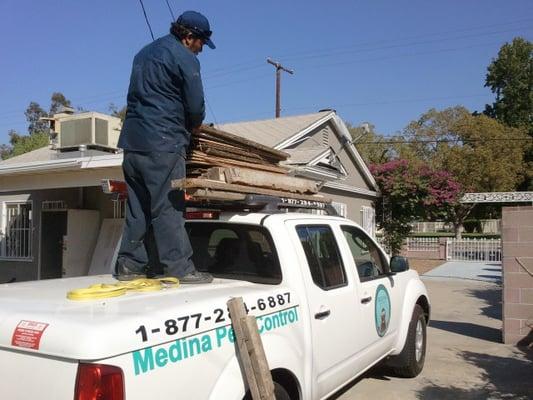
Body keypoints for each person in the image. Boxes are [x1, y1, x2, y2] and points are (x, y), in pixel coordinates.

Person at [114, 10, 215, 284]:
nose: (201, 48)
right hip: (163, 142)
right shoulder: (185, 58)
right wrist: (194, 125)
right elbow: (195, 106)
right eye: (201, 42)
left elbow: (135, 97)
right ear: (189, 37)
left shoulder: (143, 54)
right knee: (168, 206)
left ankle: (129, 265)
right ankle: (180, 268)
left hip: (133, 144)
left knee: (138, 207)